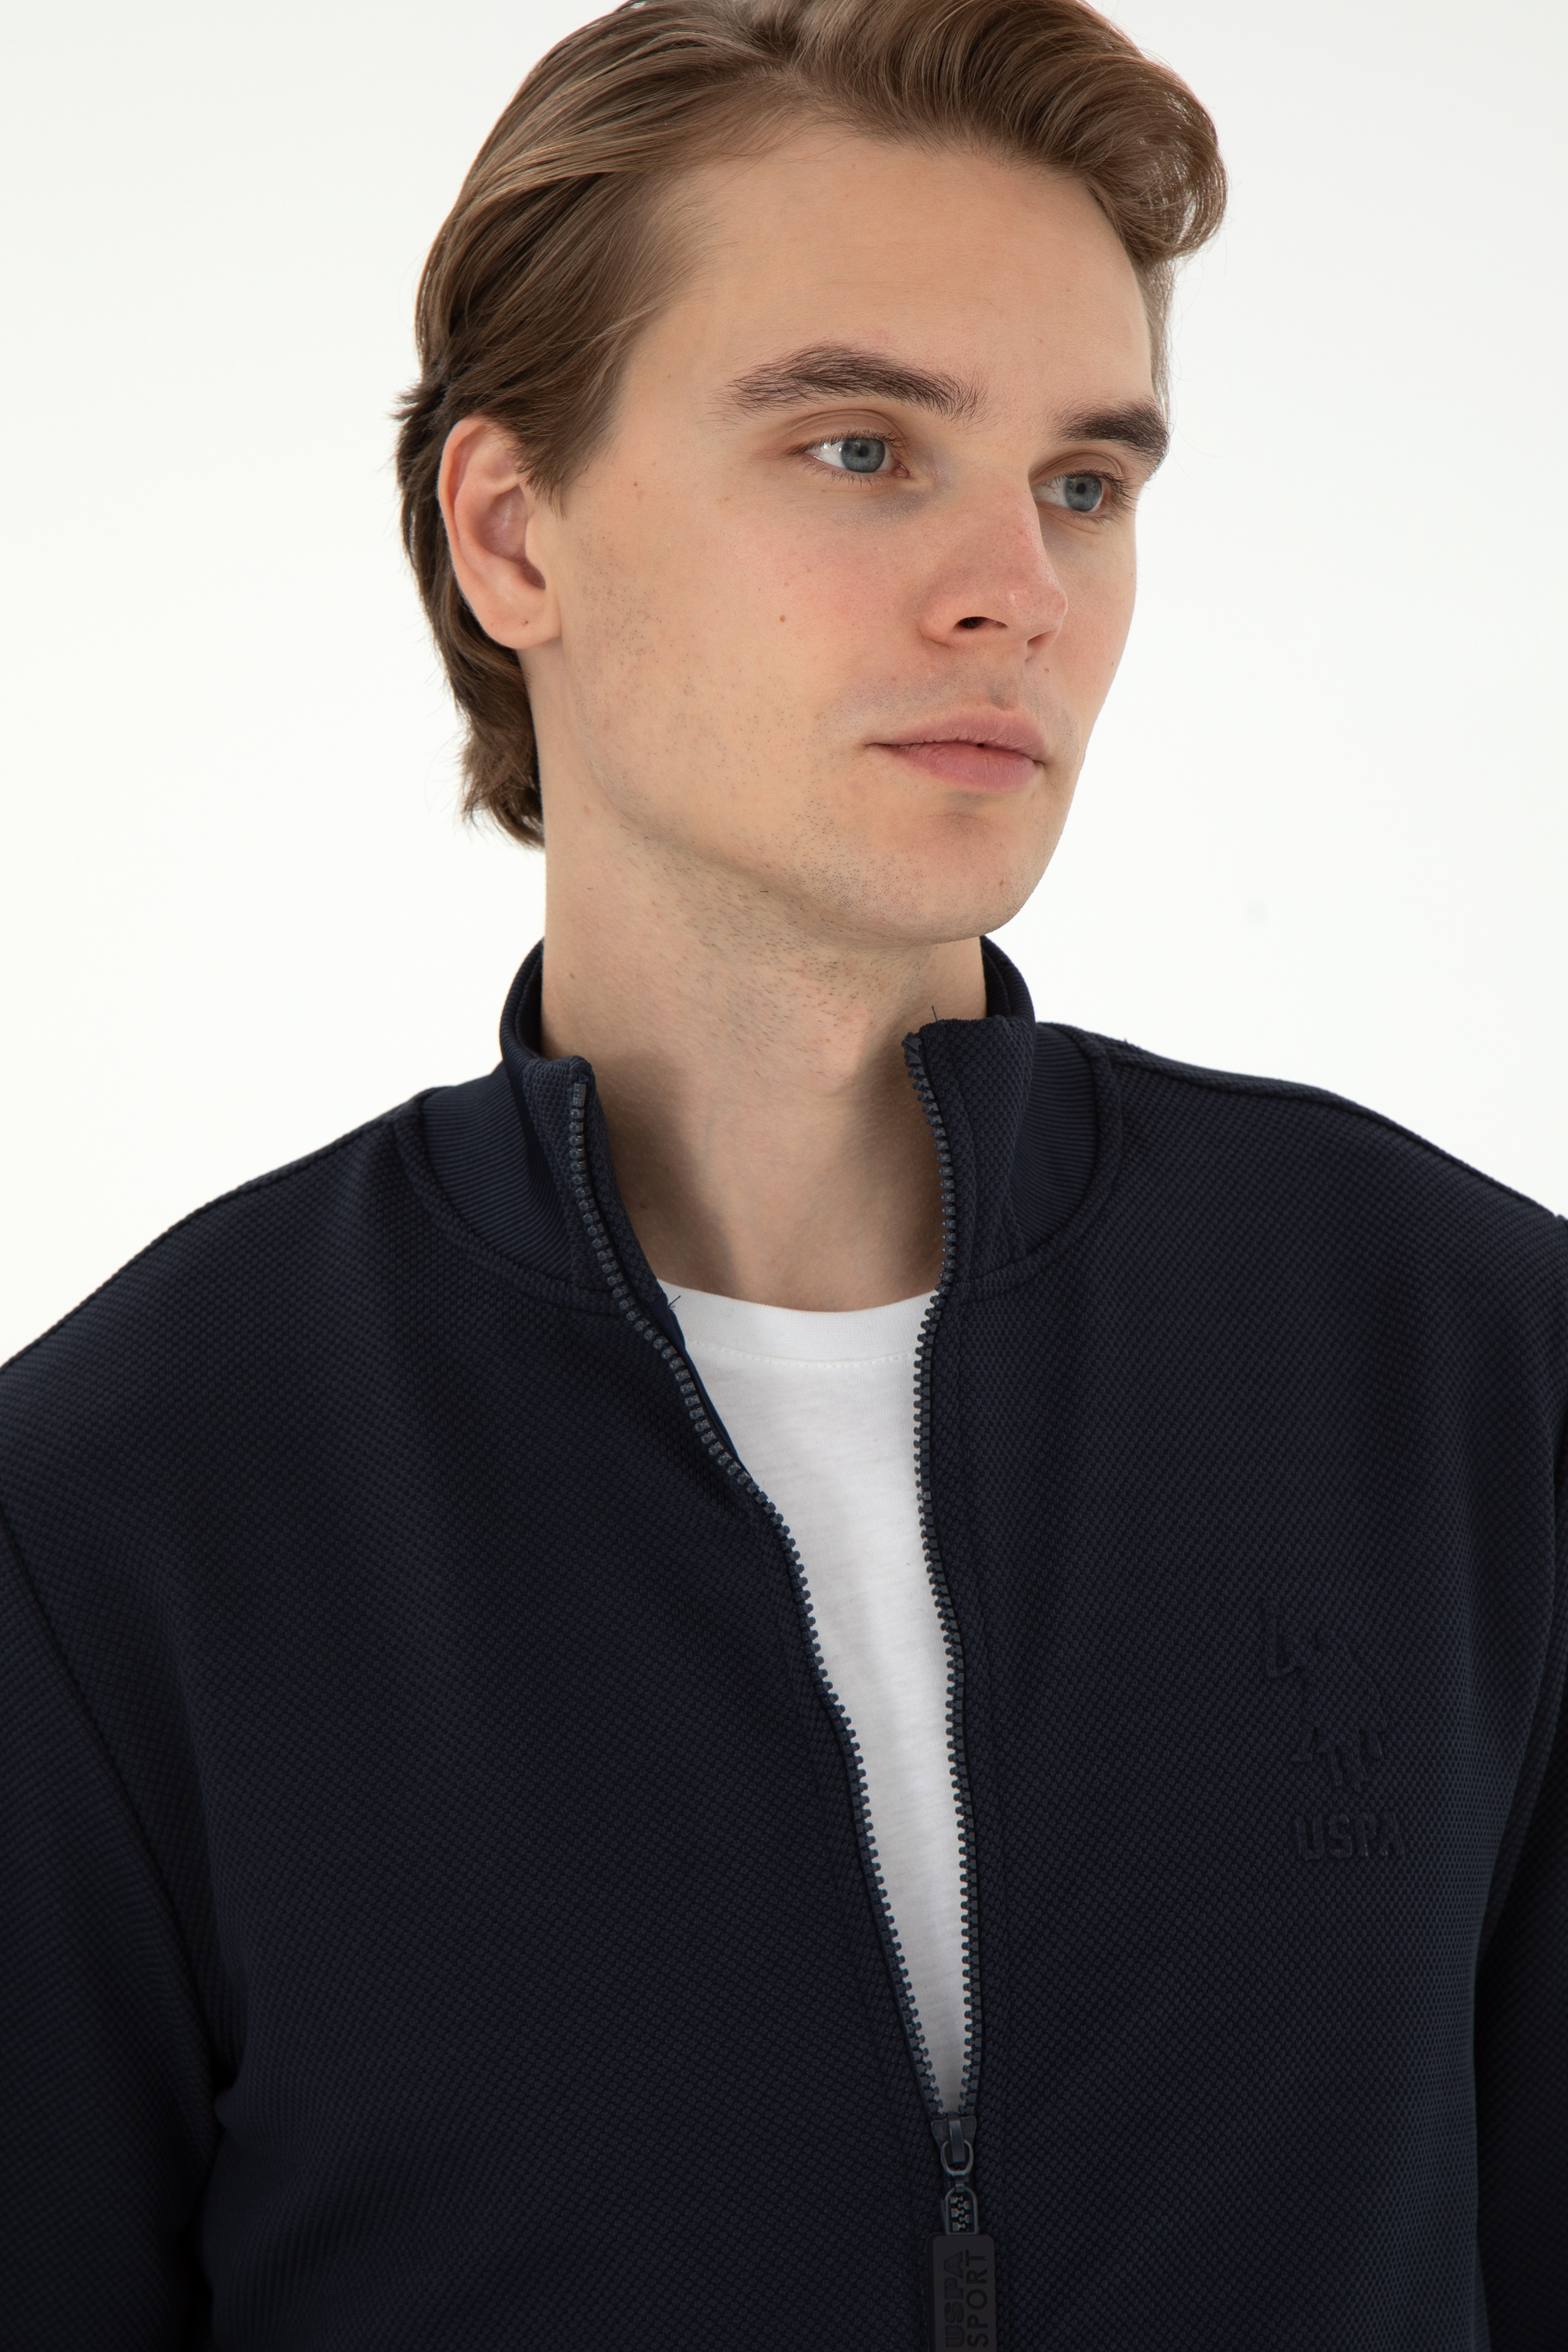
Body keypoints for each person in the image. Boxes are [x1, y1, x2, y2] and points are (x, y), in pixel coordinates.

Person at [2, 0, 1563, 2343]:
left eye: (1083, 481)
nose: (1017, 588)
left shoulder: (1471, 1374)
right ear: (511, 530)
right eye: (859, 447)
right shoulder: (122, 1514)